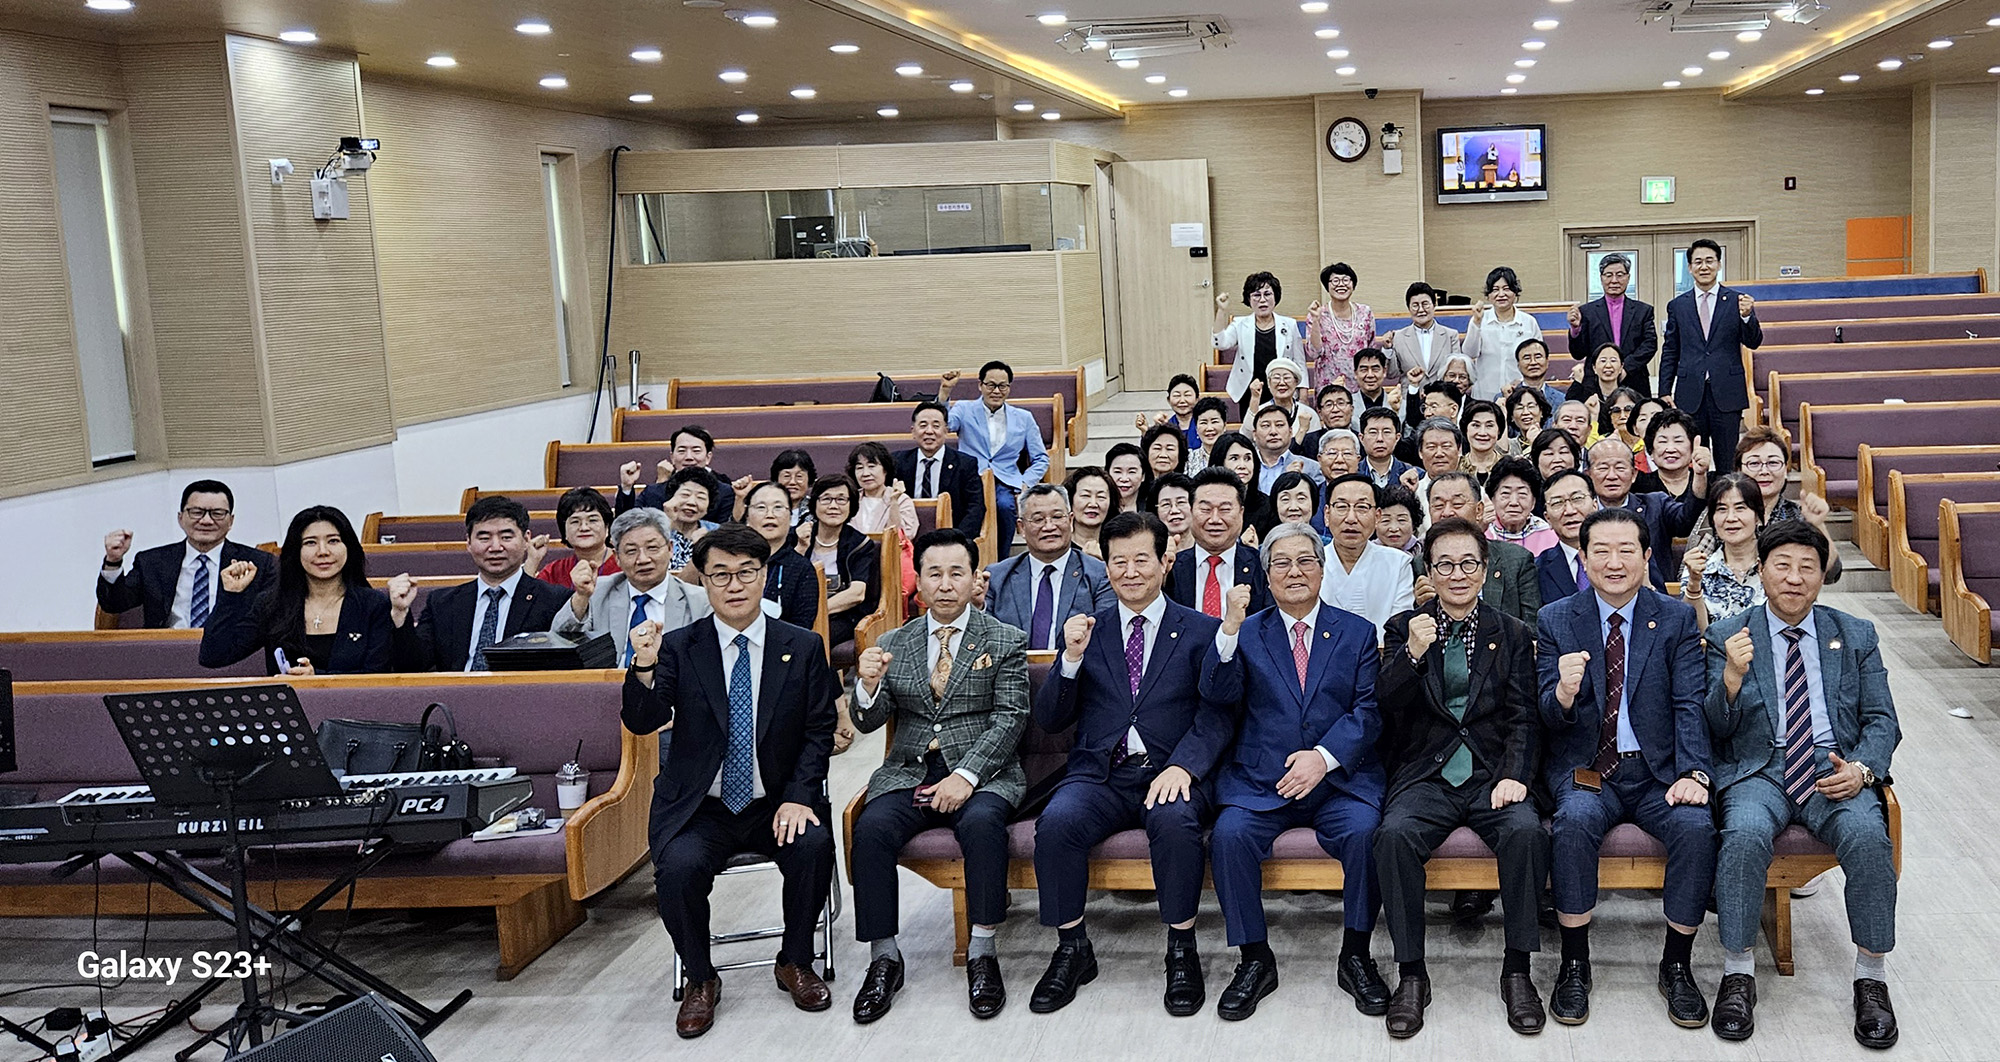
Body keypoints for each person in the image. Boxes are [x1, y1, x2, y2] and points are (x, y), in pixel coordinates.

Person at [621, 525, 838, 1038]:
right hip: (702, 806)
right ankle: (700, 977)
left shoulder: (802, 645)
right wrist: (644, 665)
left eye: (746, 572)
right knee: (678, 870)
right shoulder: (678, 647)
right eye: (720, 575)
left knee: (812, 847)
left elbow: (818, 731)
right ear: (703, 581)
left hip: (775, 800)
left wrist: (799, 798)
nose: (734, 585)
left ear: (764, 576)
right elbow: (643, 721)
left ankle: (795, 960)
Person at [1027, 512, 1246, 1017]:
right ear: (1105, 566)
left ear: (1165, 562)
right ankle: (1072, 948)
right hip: (1101, 774)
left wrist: (1185, 767)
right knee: (1057, 823)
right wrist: (1070, 659)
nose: (1130, 572)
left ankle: (1181, 948)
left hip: (1170, 771)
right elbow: (1052, 718)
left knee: (1175, 822)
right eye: (1118, 562)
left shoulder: (1201, 630)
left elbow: (1218, 713)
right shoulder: (1089, 629)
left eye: (1141, 559)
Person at [1703, 521, 1902, 1049]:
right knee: (1743, 835)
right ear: (1761, 570)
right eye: (1782, 566)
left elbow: (1882, 720)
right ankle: (1737, 972)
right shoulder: (1728, 635)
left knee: (1869, 837)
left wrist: (1861, 769)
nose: (1794, 578)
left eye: (1807, 568)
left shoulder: (1855, 634)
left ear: (1822, 575)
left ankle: (1871, 978)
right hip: (1759, 769)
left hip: (1832, 767)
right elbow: (1713, 730)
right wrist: (1731, 679)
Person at [1537, 508, 1715, 1030]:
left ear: (1646, 555)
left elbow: (1689, 703)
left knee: (1696, 827)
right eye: (1601, 551)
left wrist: (1694, 773)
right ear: (1583, 557)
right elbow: (1545, 714)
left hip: (1658, 772)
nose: (1614, 563)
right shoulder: (1556, 619)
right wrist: (1562, 693)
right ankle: (1574, 963)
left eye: (1626, 551)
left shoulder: (1675, 618)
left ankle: (1677, 965)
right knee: (1573, 823)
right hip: (1588, 767)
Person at [1375, 518, 1549, 1039]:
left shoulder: (1512, 632)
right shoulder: (1403, 627)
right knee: (1393, 836)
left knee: (1526, 832)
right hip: (1427, 773)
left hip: (1492, 771)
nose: (1457, 574)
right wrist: (1411, 654)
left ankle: (1518, 970)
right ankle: (1411, 974)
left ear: (1485, 569)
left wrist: (1515, 774)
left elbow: (1524, 716)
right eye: (1445, 565)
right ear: (1429, 571)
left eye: (1467, 563)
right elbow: (1387, 705)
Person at [1209, 522, 1387, 1021]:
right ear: (1266, 575)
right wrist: (1227, 630)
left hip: (1339, 782)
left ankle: (1356, 955)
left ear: (1322, 569)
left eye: (1305, 561)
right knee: (1229, 835)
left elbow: (1368, 711)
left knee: (1366, 833)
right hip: (1261, 782)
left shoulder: (1357, 632)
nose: (1294, 572)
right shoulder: (1246, 632)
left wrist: (1322, 758)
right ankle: (1254, 958)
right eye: (1281, 563)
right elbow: (1217, 696)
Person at [849, 529, 1029, 1023]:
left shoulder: (1004, 639)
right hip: (910, 771)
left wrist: (966, 776)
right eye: (934, 574)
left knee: (983, 825)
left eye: (956, 573)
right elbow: (868, 721)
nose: (945, 584)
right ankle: (884, 958)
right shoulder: (894, 642)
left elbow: (1010, 717)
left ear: (975, 579)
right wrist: (867, 686)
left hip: (984, 772)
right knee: (870, 829)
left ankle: (982, 951)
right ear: (920, 583)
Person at [200, 505, 392, 675]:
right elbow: (214, 656)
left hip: (351, 704)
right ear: (296, 551)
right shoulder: (272, 604)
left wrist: (317, 678)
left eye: (333, 541)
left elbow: (379, 674)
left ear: (348, 547)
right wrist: (230, 596)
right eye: (310, 543)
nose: (323, 551)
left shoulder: (373, 605)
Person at [386, 496, 566, 671]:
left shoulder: (553, 600)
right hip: (456, 690)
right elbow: (413, 666)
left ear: (526, 540)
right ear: (469, 543)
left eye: (506, 537)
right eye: (484, 538)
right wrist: (400, 614)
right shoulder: (442, 603)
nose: (495, 547)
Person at [98, 479, 273, 628]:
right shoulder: (152, 562)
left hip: (231, 651)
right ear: (180, 518)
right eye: (196, 512)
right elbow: (114, 604)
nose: (206, 520)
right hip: (169, 649)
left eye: (217, 514)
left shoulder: (258, 563)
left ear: (231, 521)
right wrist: (113, 561)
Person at [554, 507, 713, 662]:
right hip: (609, 678)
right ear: (617, 557)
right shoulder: (597, 591)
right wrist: (581, 597)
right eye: (631, 551)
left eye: (652, 548)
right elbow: (558, 641)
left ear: (670, 549)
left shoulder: (700, 601)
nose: (643, 559)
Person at [1690, 428, 1844, 584]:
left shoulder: (1796, 515)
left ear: (1785, 470)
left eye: (1773, 463)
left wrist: (1818, 525)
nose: (1764, 471)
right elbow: (1689, 571)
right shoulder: (1721, 513)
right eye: (1754, 463)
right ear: (1739, 469)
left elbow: (1831, 575)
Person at [1660, 240, 1763, 469]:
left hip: (1727, 391)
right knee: (1694, 458)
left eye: (1709, 261)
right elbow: (1671, 349)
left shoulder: (1737, 301)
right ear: (1690, 268)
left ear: (1719, 264)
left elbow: (1754, 342)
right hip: (1690, 392)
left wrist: (1747, 316)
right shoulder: (1678, 305)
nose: (1704, 266)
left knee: (1727, 460)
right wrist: (1664, 389)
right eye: (1698, 262)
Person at [938, 360, 1051, 562]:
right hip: (969, 477)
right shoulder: (964, 409)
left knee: (1005, 506)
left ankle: (1002, 560)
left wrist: (1025, 482)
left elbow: (1041, 458)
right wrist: (945, 392)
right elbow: (943, 425)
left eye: (1002, 386)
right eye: (991, 385)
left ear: (1009, 387)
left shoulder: (1024, 418)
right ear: (980, 385)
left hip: (1004, 480)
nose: (996, 391)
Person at [983, 483, 1112, 650]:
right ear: (1021, 528)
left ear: (1070, 520)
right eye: (1038, 519)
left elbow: (1105, 636)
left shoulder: (1099, 575)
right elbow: (985, 639)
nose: (1049, 527)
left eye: (1057, 517)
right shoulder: (997, 577)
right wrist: (978, 607)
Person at [1413, 473, 1540, 626]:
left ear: (1479, 510)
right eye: (1438, 506)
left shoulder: (1516, 560)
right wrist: (1423, 605)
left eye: (1457, 504)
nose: (1447, 513)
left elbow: (1532, 630)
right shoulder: (1421, 563)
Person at [1586, 438, 1704, 592]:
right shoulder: (1582, 514)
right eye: (1603, 468)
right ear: (1588, 475)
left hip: (1654, 596)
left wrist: (1700, 476)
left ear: (1634, 474)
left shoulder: (1656, 504)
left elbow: (1687, 522)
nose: (1612, 475)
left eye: (1620, 468)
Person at [1319, 474, 1416, 643]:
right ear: (1327, 514)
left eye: (1362, 507)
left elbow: (1398, 630)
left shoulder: (1398, 563)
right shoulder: (1311, 562)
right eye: (1341, 507)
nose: (1351, 518)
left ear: (1377, 516)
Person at [1168, 468, 1272, 619]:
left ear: (1241, 513)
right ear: (1191, 511)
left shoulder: (1263, 567)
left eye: (1225, 509)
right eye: (1206, 509)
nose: (1215, 519)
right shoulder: (1171, 569)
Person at [798, 475, 880, 651]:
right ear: (814, 504)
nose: (833, 506)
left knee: (808, 638)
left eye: (841, 499)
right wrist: (800, 548)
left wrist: (816, 612)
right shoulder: (798, 536)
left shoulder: (860, 544)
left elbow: (857, 593)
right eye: (826, 499)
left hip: (841, 617)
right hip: (799, 612)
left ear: (851, 505)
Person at [1680, 474, 1766, 630]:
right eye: (1721, 509)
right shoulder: (1699, 567)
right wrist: (1694, 583)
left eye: (1740, 508)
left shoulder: (1777, 566)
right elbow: (1695, 633)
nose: (1730, 518)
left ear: (1758, 516)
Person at [1217, 272, 1307, 418]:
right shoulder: (1240, 324)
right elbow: (1221, 343)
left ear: (1275, 297)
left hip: (1282, 388)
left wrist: (1303, 394)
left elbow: (1299, 361)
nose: (1262, 300)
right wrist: (1221, 311)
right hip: (1250, 390)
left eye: (1267, 294)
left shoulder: (1289, 324)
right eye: (1256, 295)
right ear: (1249, 299)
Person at [1568, 254, 1659, 396]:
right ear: (1601, 278)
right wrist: (1575, 329)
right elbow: (1578, 353)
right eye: (1608, 275)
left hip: (1634, 380)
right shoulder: (1586, 312)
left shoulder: (1643, 311)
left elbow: (1650, 345)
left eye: (1620, 275)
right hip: (1595, 384)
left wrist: (1624, 368)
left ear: (1628, 277)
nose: (1614, 280)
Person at [895, 401, 985, 540]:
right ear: (913, 431)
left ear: (946, 431)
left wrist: (957, 540)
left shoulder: (965, 464)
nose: (929, 431)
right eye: (923, 425)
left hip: (952, 537)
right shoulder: (898, 462)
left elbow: (975, 507)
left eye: (936, 426)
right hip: (907, 539)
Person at [741, 481, 821, 631]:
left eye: (778, 507)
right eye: (761, 507)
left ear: (790, 517)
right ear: (747, 516)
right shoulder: (733, 562)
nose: (769, 515)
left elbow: (801, 629)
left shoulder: (801, 568)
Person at [616, 425, 736, 524]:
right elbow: (627, 525)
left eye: (696, 451)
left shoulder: (724, 492)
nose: (689, 457)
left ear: (708, 457)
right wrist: (627, 487)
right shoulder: (653, 492)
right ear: (672, 457)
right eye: (682, 451)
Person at [1461, 267, 1540, 400]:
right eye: (1495, 290)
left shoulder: (1528, 322)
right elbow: (1469, 353)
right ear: (1489, 295)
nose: (1501, 294)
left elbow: (1538, 358)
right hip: (1485, 394)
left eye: (1506, 289)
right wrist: (1476, 323)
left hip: (1519, 394)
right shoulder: (1480, 319)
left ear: (1515, 292)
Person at [1375, 282, 1461, 396]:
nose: (1421, 310)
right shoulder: (1398, 336)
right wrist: (1387, 349)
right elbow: (1391, 374)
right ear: (1409, 308)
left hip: (1443, 398)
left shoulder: (1450, 335)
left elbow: (1456, 371)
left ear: (1434, 305)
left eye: (1425, 304)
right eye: (1415, 305)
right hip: (1410, 398)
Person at [1305, 262, 1374, 391]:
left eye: (1346, 280)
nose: (1341, 284)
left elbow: (1371, 348)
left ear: (1353, 285)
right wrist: (1316, 320)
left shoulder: (1365, 312)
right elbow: (1314, 353)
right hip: (1328, 386)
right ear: (1327, 286)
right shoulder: (1317, 314)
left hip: (1360, 385)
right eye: (1335, 281)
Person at [1534, 469, 1599, 604]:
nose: (1569, 511)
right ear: (1547, 518)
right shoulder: (1537, 569)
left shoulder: (1622, 555)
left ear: (1595, 506)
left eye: (1577, 499)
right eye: (1557, 503)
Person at [538, 487, 621, 590]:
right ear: (564, 531)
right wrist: (532, 561)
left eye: (592, 520)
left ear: (607, 527)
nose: (584, 528)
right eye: (575, 522)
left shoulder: (624, 565)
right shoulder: (553, 572)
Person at [1487, 458, 1558, 556]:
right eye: (1505, 493)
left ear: (1533, 502)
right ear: (1493, 499)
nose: (1514, 502)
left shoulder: (1550, 536)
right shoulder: (1483, 534)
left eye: (1522, 494)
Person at [1207, 432, 1271, 533]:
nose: (1242, 465)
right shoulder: (1205, 504)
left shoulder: (1267, 506)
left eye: (1247, 458)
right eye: (1234, 458)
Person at [1251, 403, 1319, 495]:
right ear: (1254, 435)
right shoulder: (1243, 467)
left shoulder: (1312, 468)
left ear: (1290, 432)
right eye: (1266, 426)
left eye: (1279, 425)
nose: (1273, 432)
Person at [1635, 409, 1703, 497]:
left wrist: (1700, 475)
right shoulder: (1639, 485)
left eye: (1678, 441)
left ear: (1692, 448)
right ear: (1651, 451)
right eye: (1663, 441)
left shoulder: (1708, 481)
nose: (1670, 449)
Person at [1135, 373, 1205, 449]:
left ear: (1197, 399)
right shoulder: (1166, 425)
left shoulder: (1205, 424)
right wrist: (1145, 432)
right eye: (1176, 396)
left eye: (1187, 395)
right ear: (1168, 400)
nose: (1182, 400)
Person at [1251, 358, 1313, 441]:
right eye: (1276, 378)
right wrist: (1254, 400)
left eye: (1286, 378)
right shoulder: (1259, 411)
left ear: (1296, 382)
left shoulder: (1308, 414)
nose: (1282, 383)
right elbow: (1247, 438)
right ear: (1269, 383)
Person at [1065, 466, 1118, 560]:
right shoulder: (1059, 547)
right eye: (1085, 495)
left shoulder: (1118, 545)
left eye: (1101, 497)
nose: (1093, 504)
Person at [1566, 343, 1629, 418]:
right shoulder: (1586, 395)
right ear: (1594, 368)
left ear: (1621, 367)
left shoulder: (1628, 396)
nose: (1608, 365)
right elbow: (1570, 407)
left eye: (1613, 360)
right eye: (1603, 361)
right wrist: (1577, 382)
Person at [1506, 338, 1568, 414]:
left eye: (1538, 357)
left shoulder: (1561, 399)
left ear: (1547, 361)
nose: (1533, 362)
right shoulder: (1506, 397)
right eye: (1527, 358)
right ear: (1518, 365)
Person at [1358, 408, 1416, 489]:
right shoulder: (1353, 473)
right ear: (1361, 438)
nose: (1380, 439)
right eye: (1373, 432)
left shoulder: (1414, 475)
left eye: (1387, 432)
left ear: (1397, 437)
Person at [1344, 352, 1396, 430]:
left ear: (1384, 372)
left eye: (1375, 369)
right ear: (1356, 373)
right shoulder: (1347, 405)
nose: (1370, 375)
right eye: (1364, 370)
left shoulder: (1397, 402)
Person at [1460, 400, 1510, 477]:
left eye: (1489, 426)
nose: (1482, 433)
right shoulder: (1454, 466)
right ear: (1466, 429)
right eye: (1476, 425)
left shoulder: (1509, 467)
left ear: (1499, 430)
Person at [769, 449, 818, 526]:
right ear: (776, 480)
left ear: (809, 480)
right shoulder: (766, 509)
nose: (792, 482)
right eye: (787, 476)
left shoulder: (816, 509)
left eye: (799, 476)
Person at [1265, 470, 1320, 539]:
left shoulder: (1326, 544)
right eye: (1285, 499)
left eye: (1301, 498)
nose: (1293, 507)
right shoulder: (1267, 545)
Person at [1151, 472, 1196, 554]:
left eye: (1181, 502)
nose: (1174, 511)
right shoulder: (1151, 552)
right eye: (1166, 504)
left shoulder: (1209, 548)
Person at [1186, 397, 1232, 472]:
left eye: (1214, 422)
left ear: (1224, 425)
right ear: (1196, 429)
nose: (1209, 428)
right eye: (1203, 423)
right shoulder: (1188, 458)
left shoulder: (1234, 457)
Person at [1139, 423, 1189, 490]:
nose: (1163, 455)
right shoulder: (1137, 488)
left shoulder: (1188, 488)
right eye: (1157, 448)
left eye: (1170, 449)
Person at [1105, 443, 1151, 515]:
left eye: (1131, 472)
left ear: (1143, 476)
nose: (1124, 479)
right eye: (1118, 472)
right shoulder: (1101, 508)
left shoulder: (1151, 509)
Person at [1505, 386, 1553, 453]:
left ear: (1541, 411)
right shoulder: (1508, 446)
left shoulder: (1552, 441)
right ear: (1512, 416)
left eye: (1531, 406)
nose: (1525, 412)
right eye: (1519, 408)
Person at [1375, 488, 1421, 556]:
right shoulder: (1365, 554)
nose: (1394, 529)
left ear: (1413, 524)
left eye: (1401, 520)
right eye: (1385, 520)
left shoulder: (1424, 550)